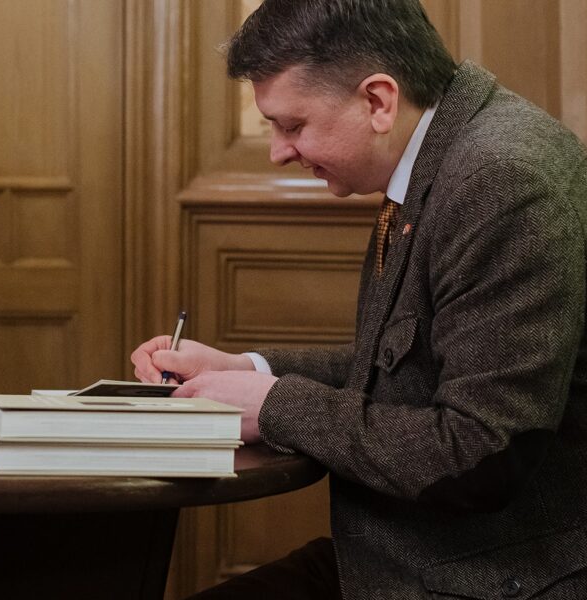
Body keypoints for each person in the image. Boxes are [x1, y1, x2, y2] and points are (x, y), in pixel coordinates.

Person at [131, 0, 587, 598]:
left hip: (485, 576)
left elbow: (479, 454)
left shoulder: (500, 180)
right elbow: (410, 366)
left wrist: (274, 406)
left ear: (377, 101)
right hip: (417, 556)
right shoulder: (443, 152)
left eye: (292, 125)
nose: (278, 151)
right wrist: (246, 370)